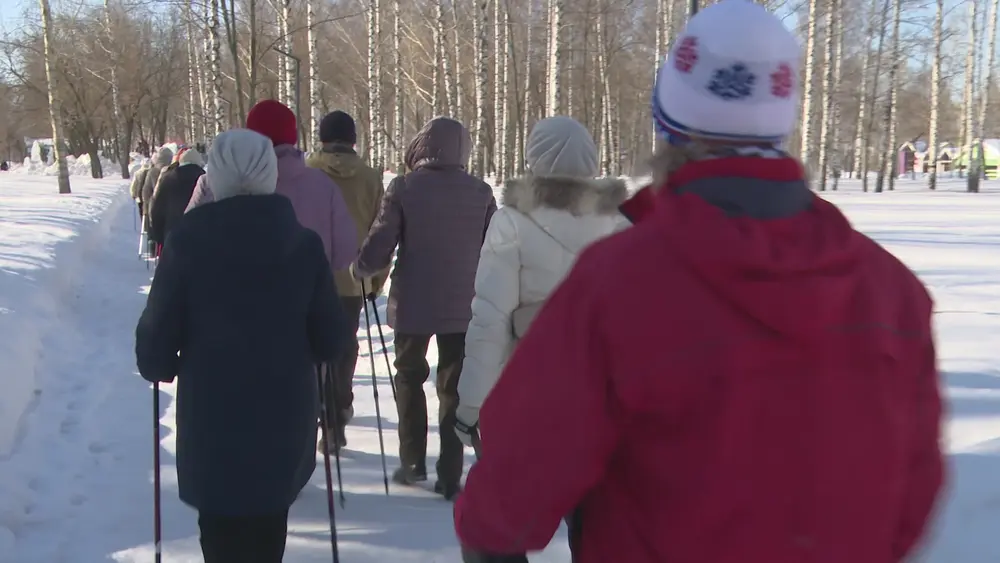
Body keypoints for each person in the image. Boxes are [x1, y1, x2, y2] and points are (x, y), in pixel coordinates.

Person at [455, 2, 945, 562]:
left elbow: (505, 506)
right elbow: (911, 497)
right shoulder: (894, 295)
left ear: (669, 124)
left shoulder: (617, 285)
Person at [135, 128, 347, 563]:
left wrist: (160, 363)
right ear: (268, 174)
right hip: (283, 425)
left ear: (217, 176)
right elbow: (331, 339)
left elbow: (156, 343)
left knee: (220, 540)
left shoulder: (187, 242)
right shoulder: (303, 245)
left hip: (213, 425)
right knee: (269, 537)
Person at [455, 115, 627, 443]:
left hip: (526, 389)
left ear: (534, 157)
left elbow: (490, 318)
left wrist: (471, 405)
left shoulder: (511, 223)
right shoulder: (619, 225)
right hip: (599, 394)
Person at [351, 116, 496, 500]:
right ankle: (450, 474)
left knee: (409, 377)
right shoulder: (480, 192)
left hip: (413, 301)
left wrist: (362, 267)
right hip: (463, 305)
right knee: (453, 387)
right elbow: (493, 247)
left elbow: (382, 238)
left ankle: (412, 459)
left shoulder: (404, 187)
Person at [185, 100, 358, 272]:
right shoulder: (323, 186)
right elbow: (344, 254)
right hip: (303, 293)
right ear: (293, 135)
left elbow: (183, 243)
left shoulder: (211, 183)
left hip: (221, 294)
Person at [307, 110, 389, 453]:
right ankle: (337, 416)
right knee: (343, 348)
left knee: (311, 350)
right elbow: (379, 232)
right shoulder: (371, 178)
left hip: (310, 279)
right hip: (353, 280)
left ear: (323, 137)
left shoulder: (307, 172)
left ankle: (313, 410)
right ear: (353, 138)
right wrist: (375, 281)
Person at [147, 146, 206, 250]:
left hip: (172, 237)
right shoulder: (206, 180)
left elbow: (157, 210)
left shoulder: (168, 178)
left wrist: (159, 237)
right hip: (201, 239)